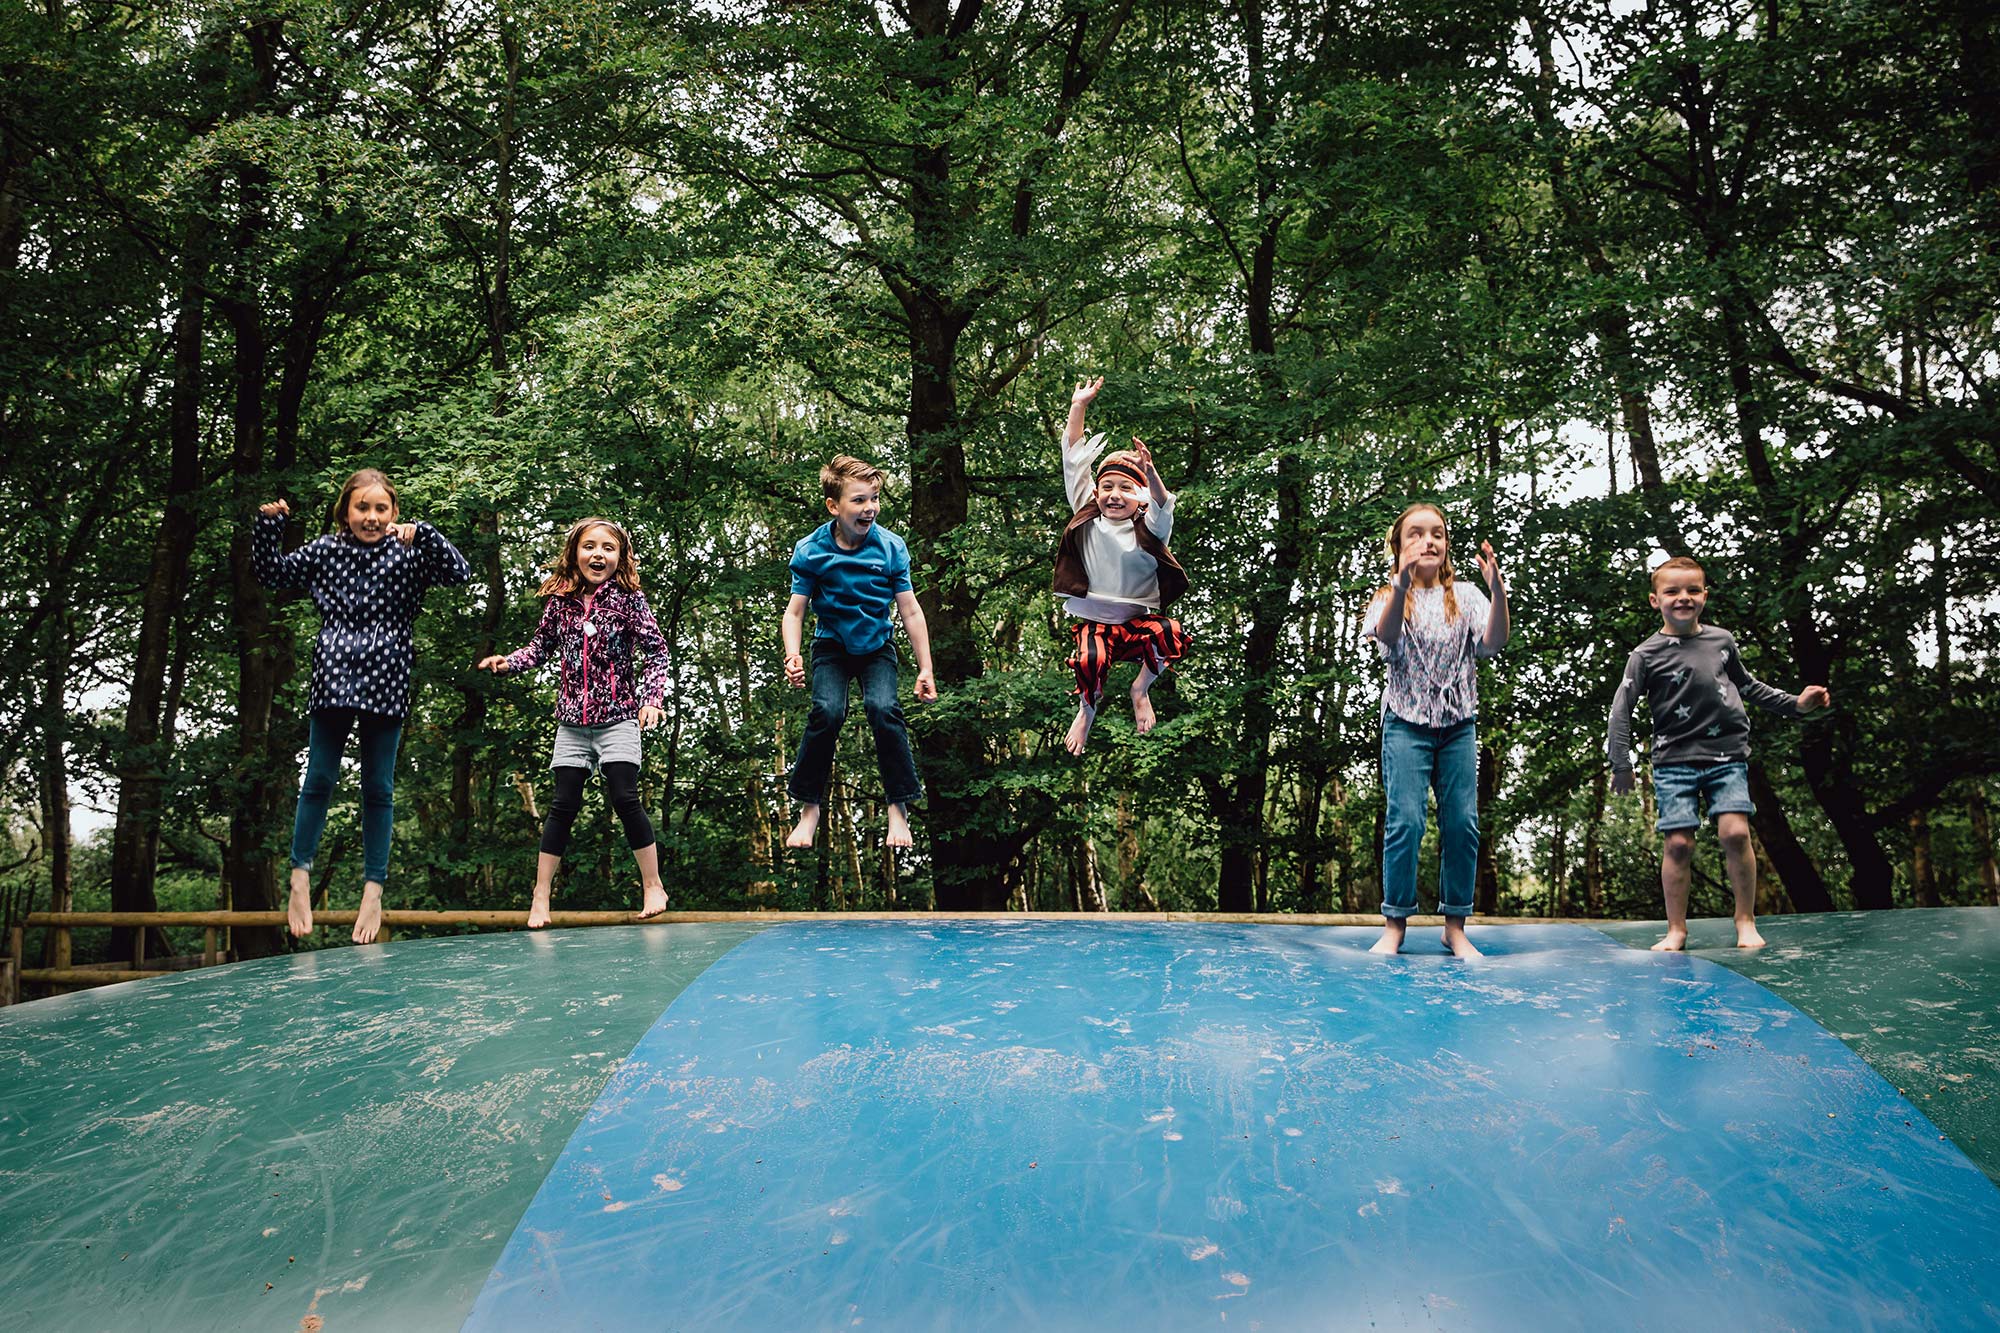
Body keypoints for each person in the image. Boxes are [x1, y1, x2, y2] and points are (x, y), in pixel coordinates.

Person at [253, 468, 472, 943]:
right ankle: (299, 876)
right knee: (320, 778)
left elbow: (460, 573)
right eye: (361, 507)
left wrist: (426, 536)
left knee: (378, 786)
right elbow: (271, 572)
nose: (371, 517)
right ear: (345, 511)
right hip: (333, 669)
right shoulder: (326, 550)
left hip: (388, 673)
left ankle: (373, 889)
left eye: (380, 508)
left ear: (393, 513)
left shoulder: (409, 552)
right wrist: (270, 526)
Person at [1606, 555, 1830, 950]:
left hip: (1726, 756)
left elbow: (1750, 686)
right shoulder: (1645, 655)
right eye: (1672, 591)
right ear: (1655, 600)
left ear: (1705, 595)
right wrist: (1621, 762)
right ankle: (1676, 929)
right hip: (1674, 761)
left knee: (1735, 832)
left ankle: (1745, 920)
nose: (1683, 597)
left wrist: (1797, 704)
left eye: (1693, 590)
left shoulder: (1721, 641)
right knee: (1678, 843)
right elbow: (1621, 708)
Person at [479, 518, 671, 927]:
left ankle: (653, 884)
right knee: (563, 804)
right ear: (574, 553)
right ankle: (540, 896)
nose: (598, 554)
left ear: (620, 558)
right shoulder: (559, 602)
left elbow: (657, 650)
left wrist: (652, 699)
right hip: (571, 721)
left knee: (624, 796)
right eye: (589, 546)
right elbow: (539, 647)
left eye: (608, 548)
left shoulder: (629, 600)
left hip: (618, 716)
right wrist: (508, 662)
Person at [1361, 502, 1509, 958]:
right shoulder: (1387, 596)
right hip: (1406, 724)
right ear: (1399, 546)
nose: (1429, 541)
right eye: (1417, 534)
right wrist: (1401, 584)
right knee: (1405, 821)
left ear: (1446, 546)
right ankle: (1395, 925)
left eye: (1438, 534)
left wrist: (1498, 592)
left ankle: (1455, 927)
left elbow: (1493, 643)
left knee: (1462, 823)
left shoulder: (1465, 596)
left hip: (1457, 726)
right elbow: (1386, 640)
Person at [781, 455, 936, 849]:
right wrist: (793, 654)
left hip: (876, 646)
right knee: (827, 711)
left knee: (884, 710)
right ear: (834, 506)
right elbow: (795, 611)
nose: (870, 508)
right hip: (831, 645)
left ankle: (898, 808)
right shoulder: (811, 549)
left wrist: (925, 668)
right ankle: (809, 807)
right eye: (860, 501)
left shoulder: (890, 548)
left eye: (875, 499)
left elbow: (910, 610)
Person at [1055, 375, 1191, 755]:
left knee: (1171, 633)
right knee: (1090, 659)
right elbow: (1073, 460)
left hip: (1134, 623)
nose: (1115, 495)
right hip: (1095, 622)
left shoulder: (1150, 528)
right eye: (1108, 487)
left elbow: (1164, 503)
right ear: (1096, 493)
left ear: (1140, 497)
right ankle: (1086, 709)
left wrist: (1150, 474)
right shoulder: (1088, 515)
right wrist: (1078, 406)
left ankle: (1140, 688)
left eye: (1125, 489)